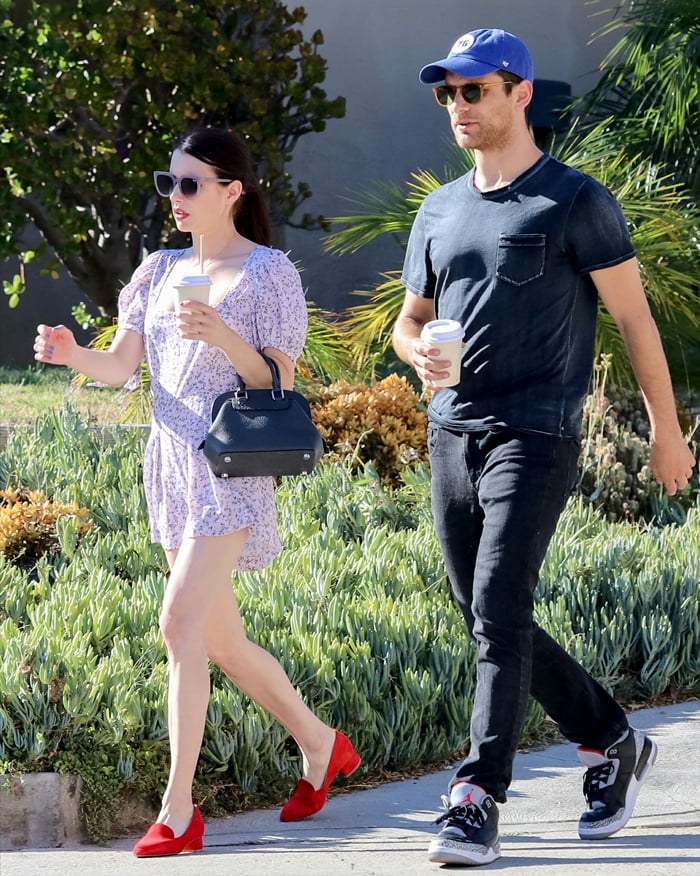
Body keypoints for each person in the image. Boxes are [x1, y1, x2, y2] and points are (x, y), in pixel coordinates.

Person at [392, 28, 696, 867]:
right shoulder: (438, 209)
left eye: (474, 90)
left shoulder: (574, 200)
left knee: (496, 603)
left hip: (536, 431)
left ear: (519, 93)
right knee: (487, 613)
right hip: (451, 430)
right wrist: (414, 353)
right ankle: (612, 739)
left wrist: (667, 432)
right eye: (448, 93)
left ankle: (476, 796)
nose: (458, 105)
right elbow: (410, 320)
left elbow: (634, 319)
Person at [33, 127, 360, 858]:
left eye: (190, 184)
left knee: (179, 623)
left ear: (231, 191)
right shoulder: (157, 270)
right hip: (171, 469)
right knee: (220, 641)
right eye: (169, 183)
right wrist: (71, 354)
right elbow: (122, 367)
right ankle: (321, 744)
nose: (175, 197)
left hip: (230, 469)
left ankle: (177, 811)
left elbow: (278, 380)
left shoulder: (269, 273)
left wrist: (221, 336)